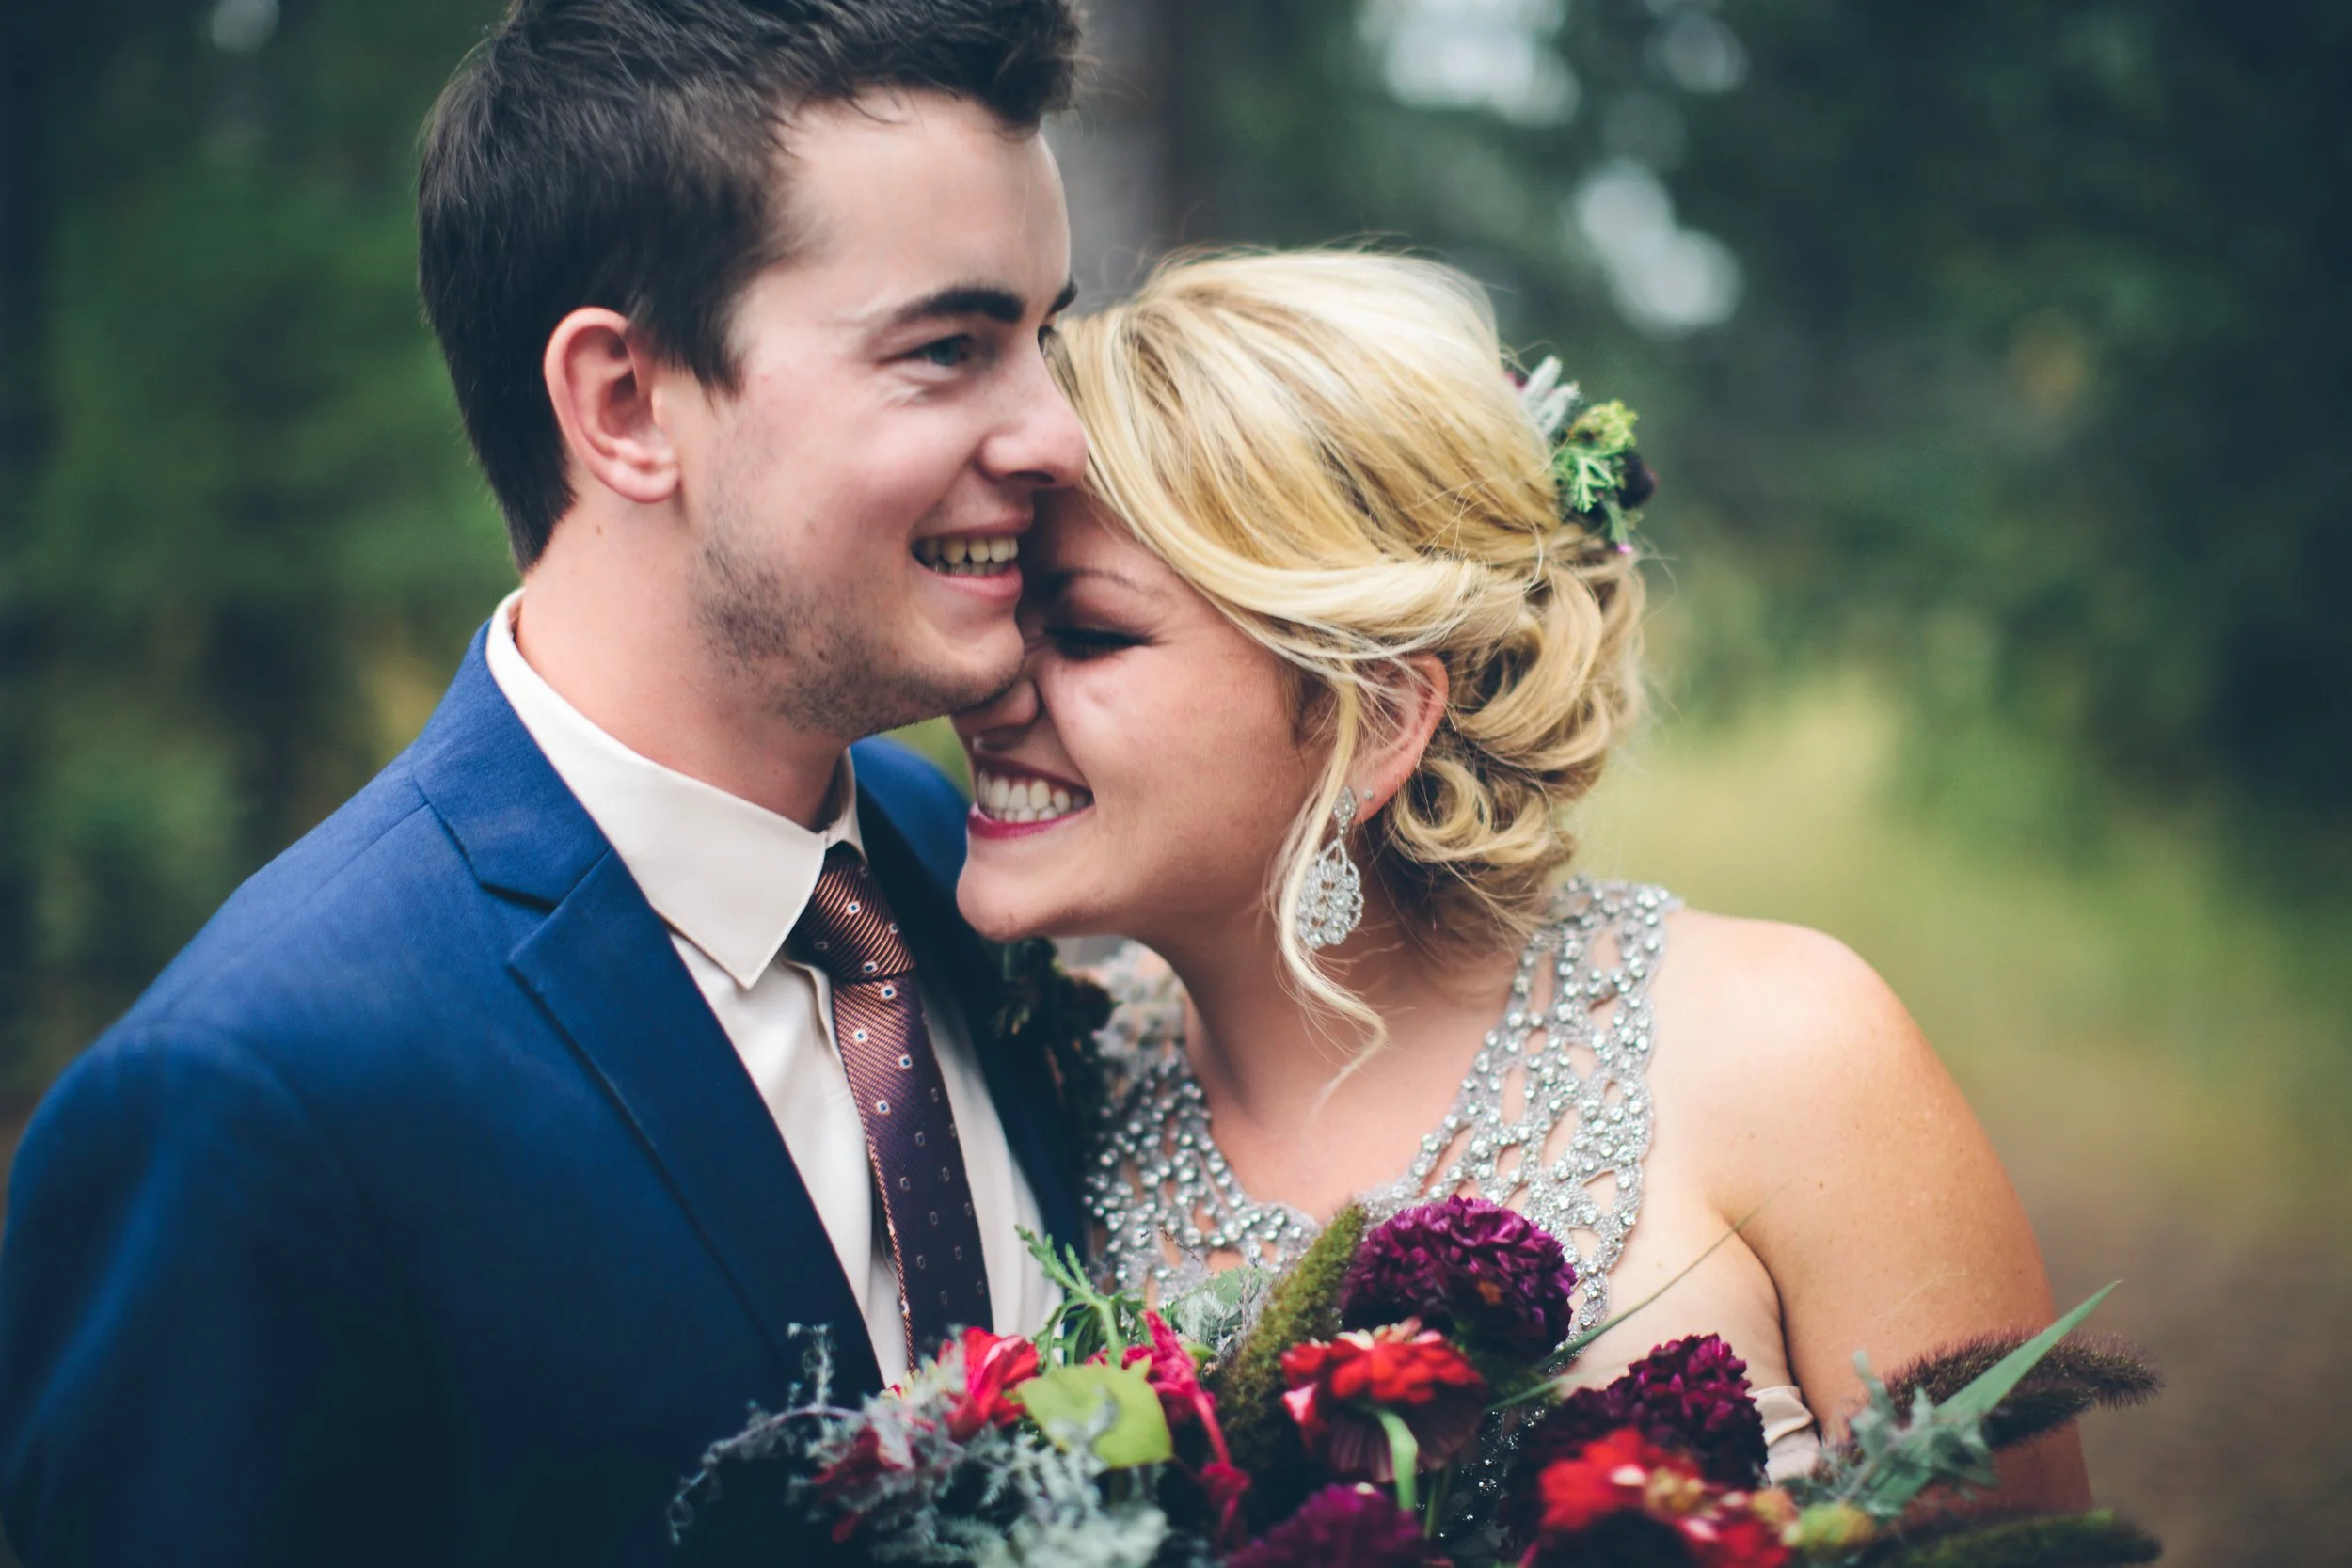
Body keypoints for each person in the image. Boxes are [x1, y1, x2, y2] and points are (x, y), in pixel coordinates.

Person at [0, 2, 1090, 1562]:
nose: (1055, 433)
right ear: (625, 403)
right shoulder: (254, 1104)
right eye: (947, 350)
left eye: (1044, 335)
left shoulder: (965, 864)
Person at [950, 250, 2092, 1505]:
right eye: (1006, 614)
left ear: (1374, 720)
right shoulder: (1036, 1102)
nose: (984, 688)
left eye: (1091, 631)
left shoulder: (1789, 1048)